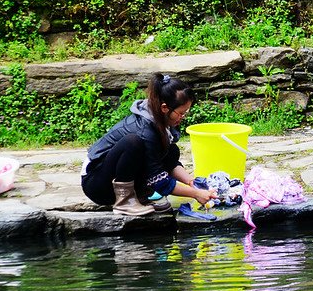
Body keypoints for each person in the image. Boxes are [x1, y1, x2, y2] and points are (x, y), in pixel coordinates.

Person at [81, 73, 217, 216]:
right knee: (132, 143)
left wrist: (191, 182)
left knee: (171, 150)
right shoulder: (145, 131)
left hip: (110, 178)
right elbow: (159, 181)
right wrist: (195, 194)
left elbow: (169, 163)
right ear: (165, 108)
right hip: (97, 184)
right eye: (181, 113)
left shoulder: (163, 120)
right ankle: (124, 202)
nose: (183, 117)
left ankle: (139, 198)